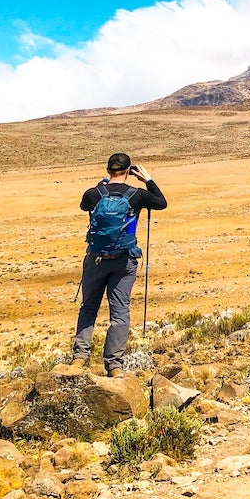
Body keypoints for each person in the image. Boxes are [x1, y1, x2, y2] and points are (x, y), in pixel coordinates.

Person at [72, 153, 167, 376]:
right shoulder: (138, 196)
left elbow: (83, 205)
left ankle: (79, 358)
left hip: (95, 259)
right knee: (120, 312)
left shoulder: (94, 194)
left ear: (108, 171)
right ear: (128, 171)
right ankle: (114, 365)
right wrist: (148, 180)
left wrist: (101, 185)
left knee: (88, 307)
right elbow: (161, 203)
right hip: (124, 261)